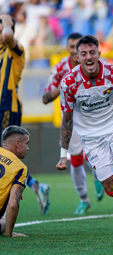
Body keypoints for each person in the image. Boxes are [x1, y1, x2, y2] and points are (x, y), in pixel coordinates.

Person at [56, 35, 113, 237]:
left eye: (92, 52)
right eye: (83, 54)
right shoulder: (69, 83)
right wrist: (64, 154)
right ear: (77, 57)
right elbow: (67, 119)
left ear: (99, 53)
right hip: (92, 138)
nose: (88, 57)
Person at [42, 32, 104, 215]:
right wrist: (61, 88)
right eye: (72, 47)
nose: (79, 52)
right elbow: (45, 98)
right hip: (72, 118)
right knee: (75, 159)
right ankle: (84, 199)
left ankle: (100, 175)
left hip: (95, 114)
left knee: (99, 151)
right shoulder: (60, 69)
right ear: (71, 50)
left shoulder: (97, 65)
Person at [0, 14, 50, 215]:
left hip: (7, 107)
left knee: (5, 155)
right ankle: (36, 186)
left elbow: (8, 35)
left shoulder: (14, 50)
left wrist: (7, 22)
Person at [0, 125, 30, 237]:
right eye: (26, 143)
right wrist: (9, 234)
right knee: (3, 220)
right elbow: (13, 204)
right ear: (17, 143)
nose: (27, 148)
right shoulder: (20, 168)